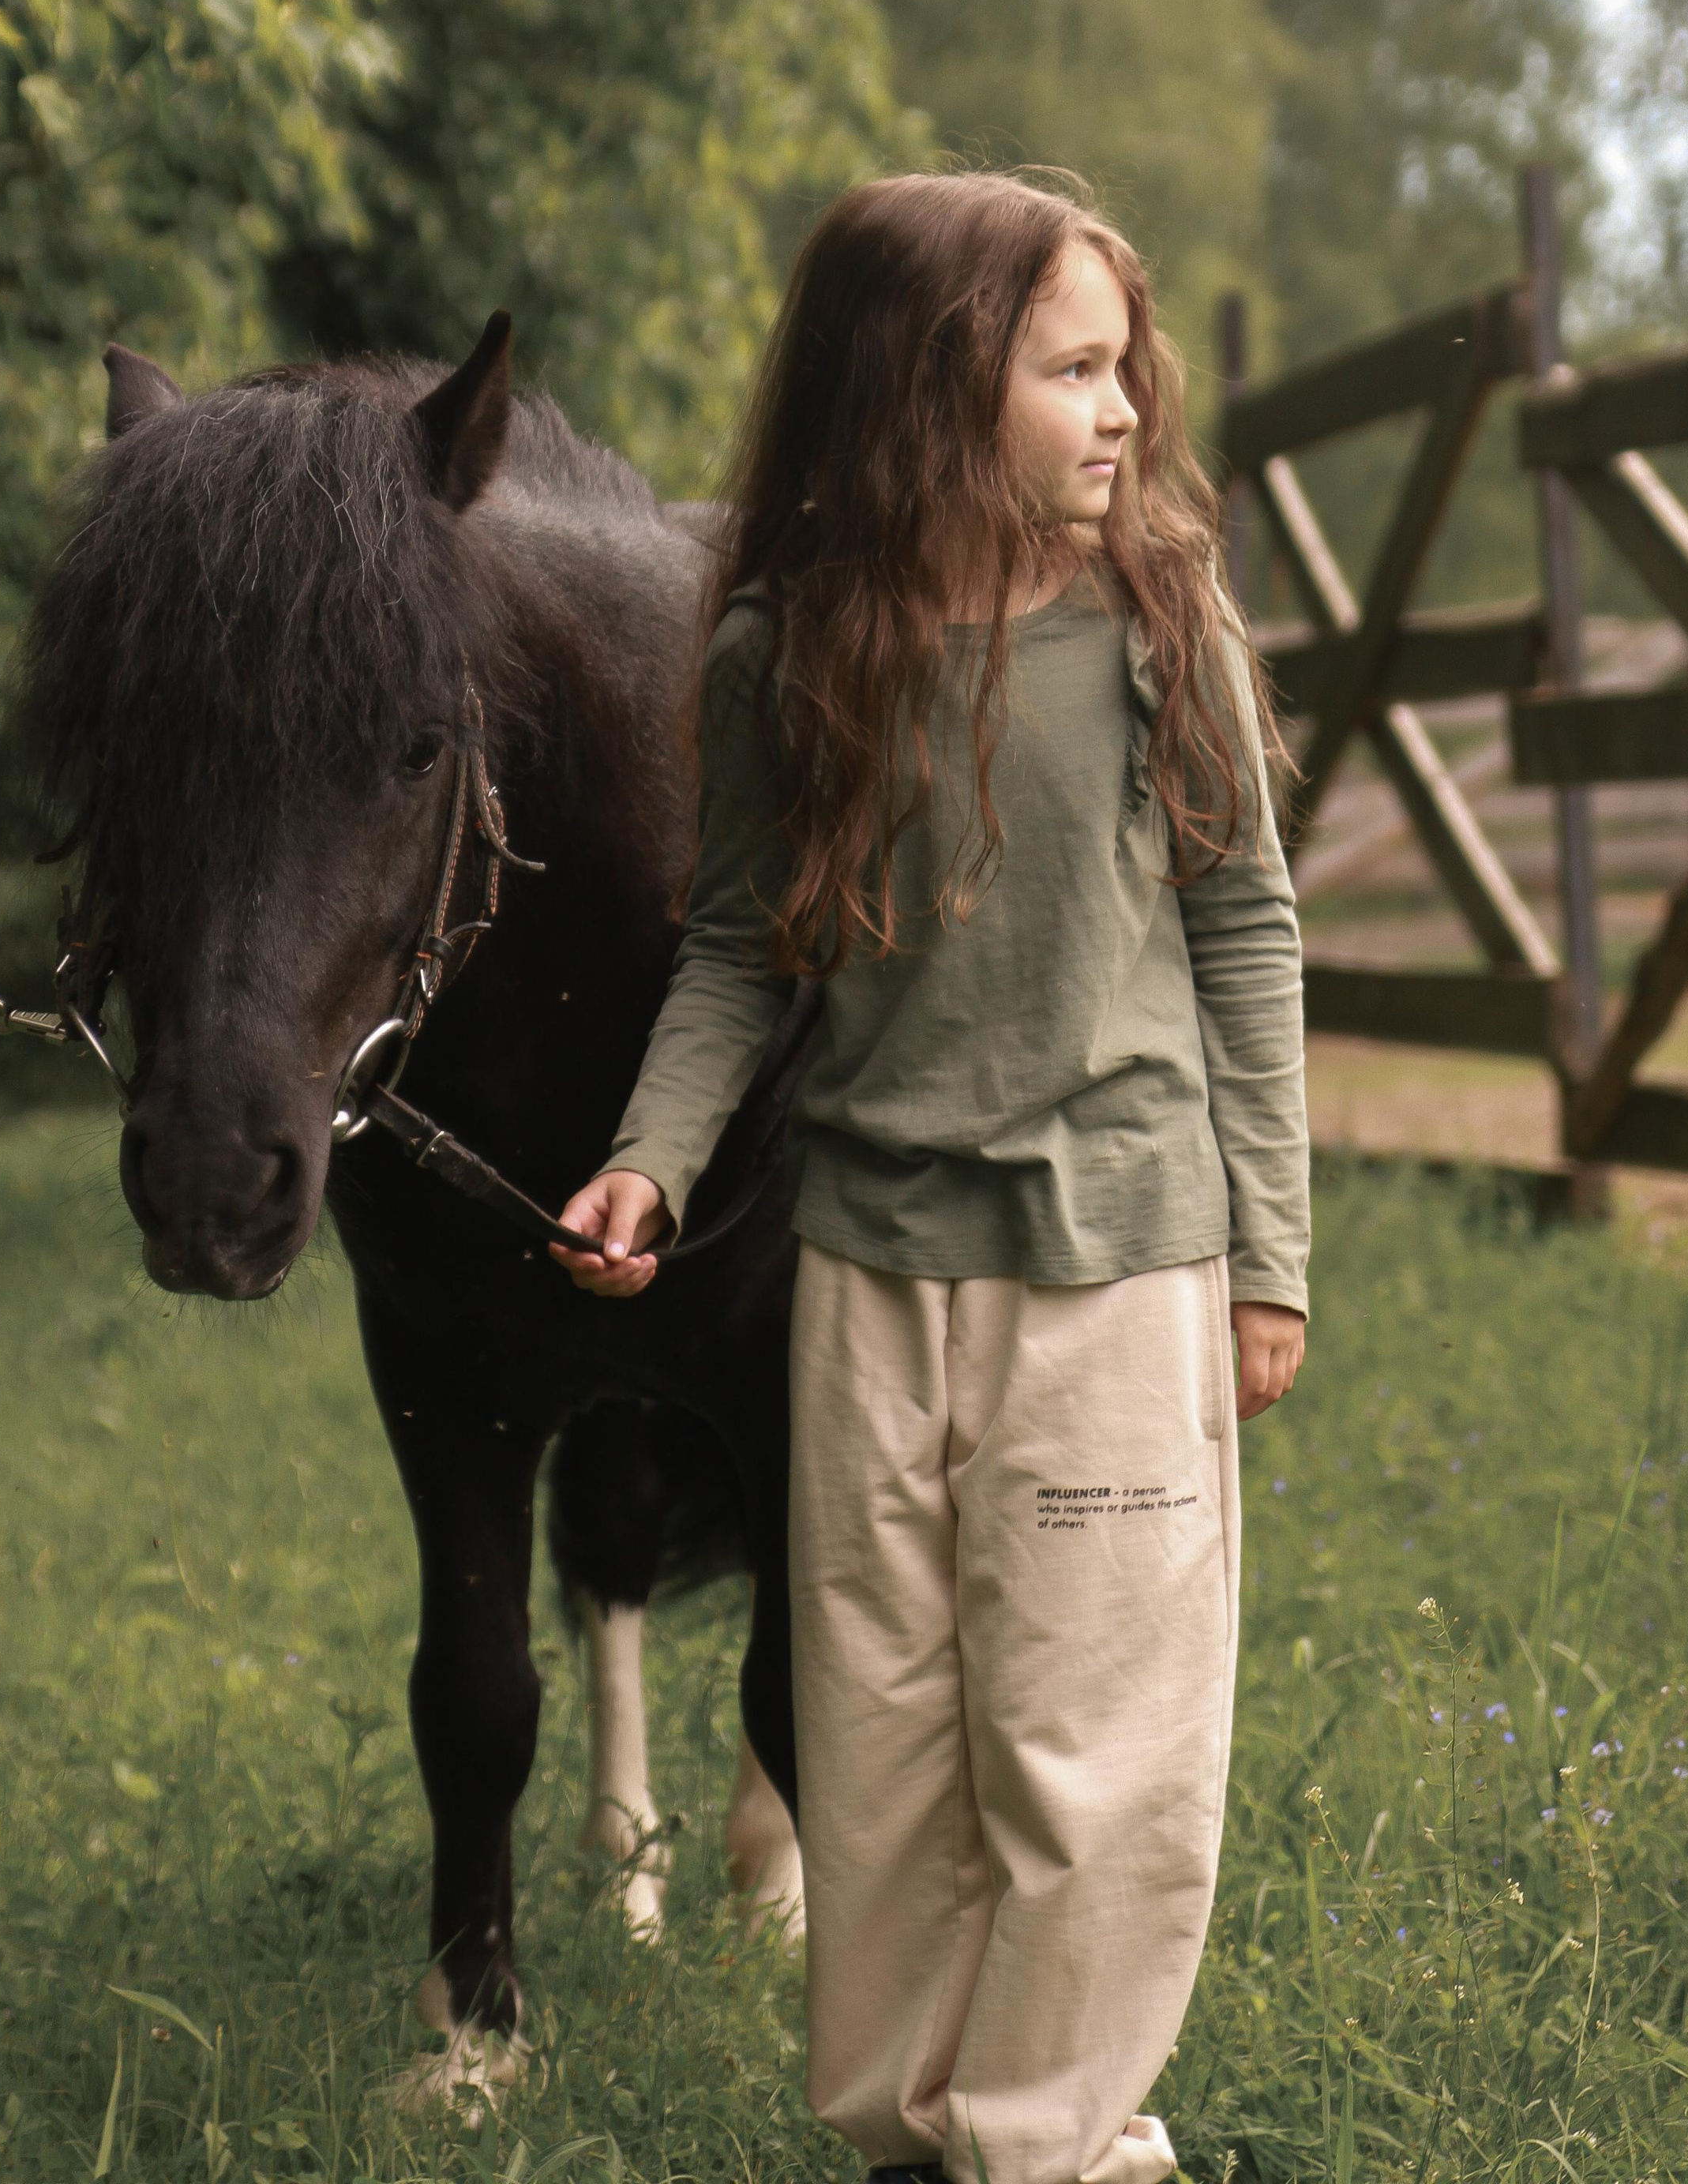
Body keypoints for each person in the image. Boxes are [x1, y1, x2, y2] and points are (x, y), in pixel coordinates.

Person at [550, 171, 1309, 2184]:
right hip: (867, 1279)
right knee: (879, 1745)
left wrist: (1268, 1255)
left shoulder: (1158, 625)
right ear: (922, 390)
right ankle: (909, 2134)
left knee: (1089, 1752)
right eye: (1072, 371)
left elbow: (1244, 929)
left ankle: (1046, 2142)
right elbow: (737, 947)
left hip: (1111, 1270)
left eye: (1121, 368)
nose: (1122, 409)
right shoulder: (784, 652)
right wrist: (648, 1161)